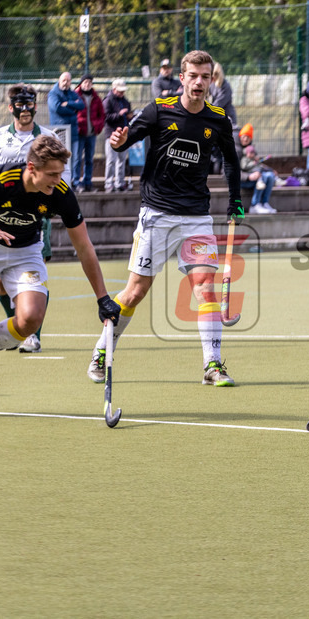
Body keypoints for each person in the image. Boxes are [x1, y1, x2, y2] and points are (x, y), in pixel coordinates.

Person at [87, 49, 243, 387]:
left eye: (205, 77)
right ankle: (103, 349)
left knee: (204, 289)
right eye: (193, 76)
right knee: (135, 292)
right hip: (156, 215)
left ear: (210, 79)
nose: (199, 82)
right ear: (182, 78)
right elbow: (125, 141)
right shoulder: (159, 110)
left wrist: (235, 199)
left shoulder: (217, 119)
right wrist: (117, 142)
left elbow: (231, 160)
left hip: (196, 218)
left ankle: (213, 365)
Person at [0, 136, 120, 391]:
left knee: (31, 318)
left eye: (60, 173)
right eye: (52, 174)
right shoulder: (0, 180)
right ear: (32, 168)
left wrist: (103, 298)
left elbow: (83, 246)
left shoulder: (61, 194)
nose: (57, 180)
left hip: (26, 251)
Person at [0, 84, 64, 353]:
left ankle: (32, 335)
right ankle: (14, 326)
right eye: (19, 103)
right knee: (4, 282)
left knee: (35, 275)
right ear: (10, 107)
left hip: (34, 219)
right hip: (0, 218)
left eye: (29, 104)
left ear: (36, 106)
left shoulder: (48, 137)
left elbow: (61, 179)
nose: (25, 109)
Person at [47, 71, 84, 181]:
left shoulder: (72, 93)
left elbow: (81, 105)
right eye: (64, 80)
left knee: (76, 158)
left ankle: (74, 182)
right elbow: (57, 108)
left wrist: (68, 103)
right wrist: (73, 108)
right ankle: (61, 181)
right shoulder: (53, 94)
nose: (66, 83)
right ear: (59, 80)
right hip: (60, 132)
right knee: (60, 158)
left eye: (68, 81)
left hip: (73, 132)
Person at [74, 74, 105, 192]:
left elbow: (101, 114)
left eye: (89, 82)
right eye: (85, 82)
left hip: (91, 133)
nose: (87, 85)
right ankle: (76, 182)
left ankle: (88, 182)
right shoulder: (75, 95)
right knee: (77, 159)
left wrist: (98, 126)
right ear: (81, 83)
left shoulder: (96, 97)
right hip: (79, 133)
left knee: (89, 159)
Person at [238, 124, 277, 214]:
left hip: (252, 176)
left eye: (248, 137)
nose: (245, 139)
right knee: (262, 177)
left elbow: (257, 165)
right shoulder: (237, 151)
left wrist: (270, 170)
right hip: (241, 180)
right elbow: (230, 171)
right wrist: (248, 176)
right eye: (244, 136)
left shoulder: (251, 150)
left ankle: (264, 203)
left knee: (270, 176)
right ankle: (255, 204)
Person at [102, 79, 132, 192]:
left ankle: (120, 183)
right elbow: (106, 117)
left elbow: (128, 115)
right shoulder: (107, 101)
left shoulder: (125, 101)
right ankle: (108, 183)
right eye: (120, 91)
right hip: (111, 134)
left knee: (121, 160)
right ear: (114, 89)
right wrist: (119, 114)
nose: (122, 93)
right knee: (111, 160)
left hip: (123, 135)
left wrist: (129, 116)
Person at [209, 62, 238, 175]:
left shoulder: (225, 86)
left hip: (228, 118)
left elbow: (218, 104)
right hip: (216, 119)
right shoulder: (212, 85)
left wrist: (206, 109)